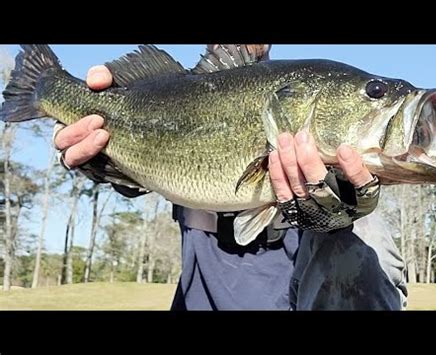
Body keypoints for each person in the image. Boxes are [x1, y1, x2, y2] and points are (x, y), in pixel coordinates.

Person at [53, 44, 407, 310]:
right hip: (199, 298)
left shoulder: (295, 90)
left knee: (366, 234)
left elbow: (351, 201)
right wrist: (97, 162)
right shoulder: (165, 88)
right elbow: (141, 176)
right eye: (373, 93)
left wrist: (343, 202)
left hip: (291, 295)